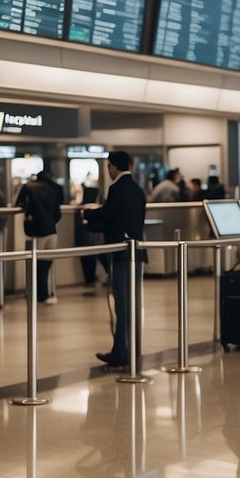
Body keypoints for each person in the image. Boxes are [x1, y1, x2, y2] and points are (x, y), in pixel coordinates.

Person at [84, 151, 147, 368]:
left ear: (113, 167)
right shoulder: (137, 189)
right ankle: (131, 347)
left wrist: (88, 215)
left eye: (109, 167)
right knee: (131, 302)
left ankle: (121, 351)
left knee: (122, 303)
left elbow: (109, 214)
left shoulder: (117, 188)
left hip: (122, 254)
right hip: (137, 252)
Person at [16, 170, 64, 304]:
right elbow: (58, 214)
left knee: (35, 266)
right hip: (52, 232)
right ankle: (44, 293)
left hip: (36, 233)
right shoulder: (54, 189)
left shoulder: (28, 187)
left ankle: (37, 294)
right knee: (45, 266)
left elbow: (19, 204)